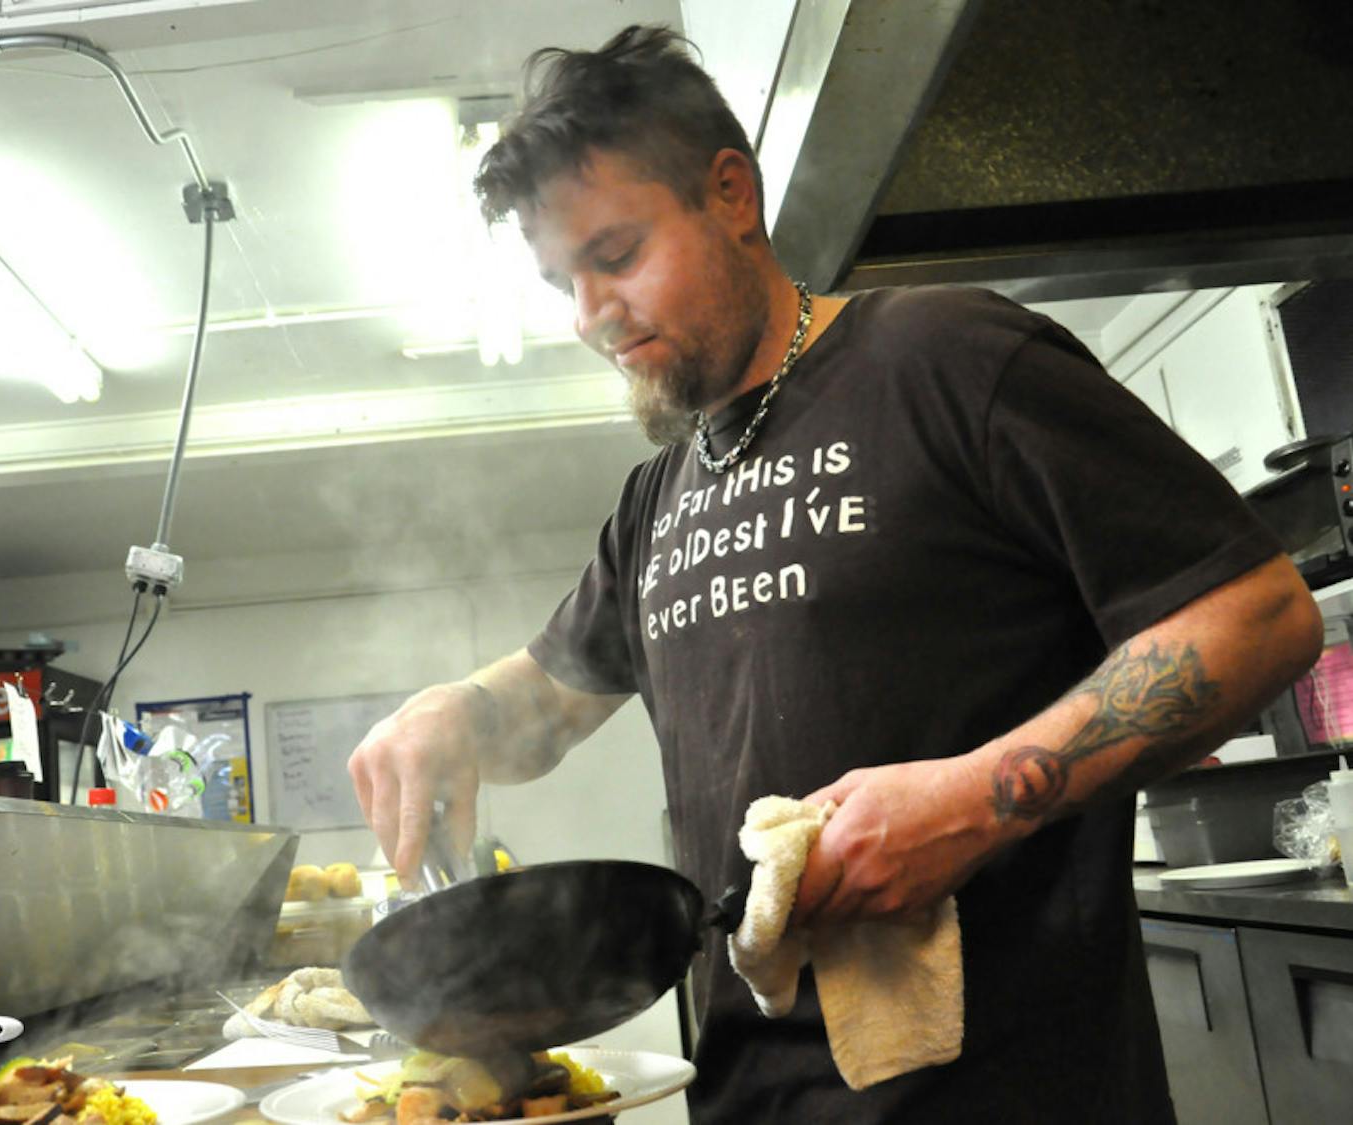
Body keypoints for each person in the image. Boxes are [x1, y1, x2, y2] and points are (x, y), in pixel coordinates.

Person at [348, 24, 1322, 1123]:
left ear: (730, 195)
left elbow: (1260, 614)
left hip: (1007, 1093)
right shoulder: (657, 496)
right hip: (748, 1095)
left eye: (615, 256)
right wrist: (453, 716)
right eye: (560, 280)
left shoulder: (949, 360)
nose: (590, 317)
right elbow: (549, 703)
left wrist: (972, 799)